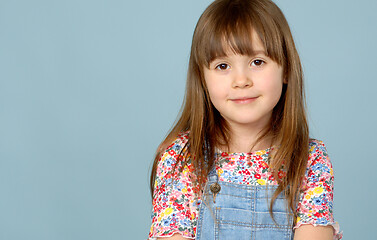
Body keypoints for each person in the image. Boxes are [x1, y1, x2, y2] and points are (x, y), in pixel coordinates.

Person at [148, 0, 342, 239]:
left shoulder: (309, 161)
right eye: (222, 66)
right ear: (203, 80)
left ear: (287, 69)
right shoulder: (181, 160)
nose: (241, 80)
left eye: (257, 62)